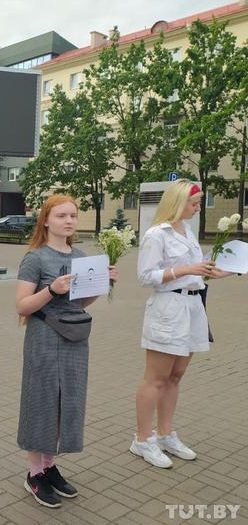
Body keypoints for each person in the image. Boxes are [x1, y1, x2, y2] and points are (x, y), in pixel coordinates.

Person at [15, 195, 119, 508]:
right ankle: (34, 473)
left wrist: (101, 286)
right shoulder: (35, 258)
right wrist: (51, 290)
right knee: (42, 401)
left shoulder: (81, 256)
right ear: (46, 220)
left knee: (66, 402)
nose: (69, 221)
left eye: (73, 215)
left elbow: (79, 302)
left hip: (74, 338)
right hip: (44, 338)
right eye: (61, 215)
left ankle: (49, 466)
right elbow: (22, 305)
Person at [130, 179, 232, 468]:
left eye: (198, 203)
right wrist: (186, 269)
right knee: (156, 378)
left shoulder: (187, 231)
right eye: (194, 203)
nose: (198, 208)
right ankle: (142, 439)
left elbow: (196, 273)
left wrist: (221, 271)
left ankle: (165, 435)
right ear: (177, 202)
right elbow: (145, 276)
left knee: (175, 376)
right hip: (168, 308)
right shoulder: (156, 234)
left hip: (193, 306)